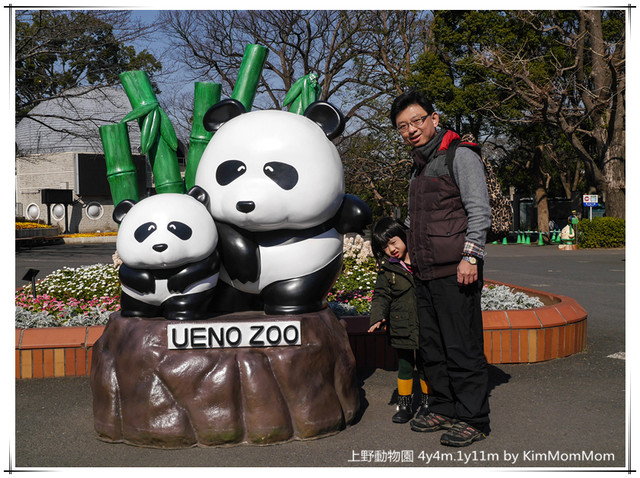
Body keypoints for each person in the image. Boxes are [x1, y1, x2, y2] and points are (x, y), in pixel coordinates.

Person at [389, 89, 491, 447]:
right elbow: (417, 217)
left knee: (462, 346)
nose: (411, 130)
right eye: (403, 126)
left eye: (417, 120)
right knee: (433, 346)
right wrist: (404, 240)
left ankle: (474, 417)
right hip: (425, 271)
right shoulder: (417, 167)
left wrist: (471, 256)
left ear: (434, 118)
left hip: (455, 269)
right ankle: (445, 406)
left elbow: (479, 209)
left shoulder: (459, 156)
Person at [368, 217, 429, 424]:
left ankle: (427, 403)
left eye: (394, 242)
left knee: (425, 365)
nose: (391, 249)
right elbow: (381, 295)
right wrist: (377, 317)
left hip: (424, 324)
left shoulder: (423, 261)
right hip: (401, 325)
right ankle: (405, 404)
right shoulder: (387, 269)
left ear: (404, 236)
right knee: (404, 366)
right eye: (385, 247)